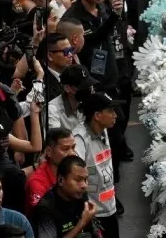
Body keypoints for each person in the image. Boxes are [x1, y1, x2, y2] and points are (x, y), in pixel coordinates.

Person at [71, 92, 123, 238]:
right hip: (94, 214)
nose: (115, 115)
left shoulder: (103, 129)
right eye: (110, 111)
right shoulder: (79, 139)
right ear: (97, 116)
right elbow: (75, 175)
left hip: (109, 208)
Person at [31, 156, 99, 238]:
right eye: (78, 180)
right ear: (60, 180)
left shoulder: (80, 195)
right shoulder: (46, 209)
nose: (84, 185)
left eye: (85, 179)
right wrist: (81, 224)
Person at [24, 128, 77, 211]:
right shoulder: (37, 183)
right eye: (65, 149)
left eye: (73, 147)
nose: (72, 153)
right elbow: (43, 219)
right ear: (49, 151)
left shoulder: (74, 173)